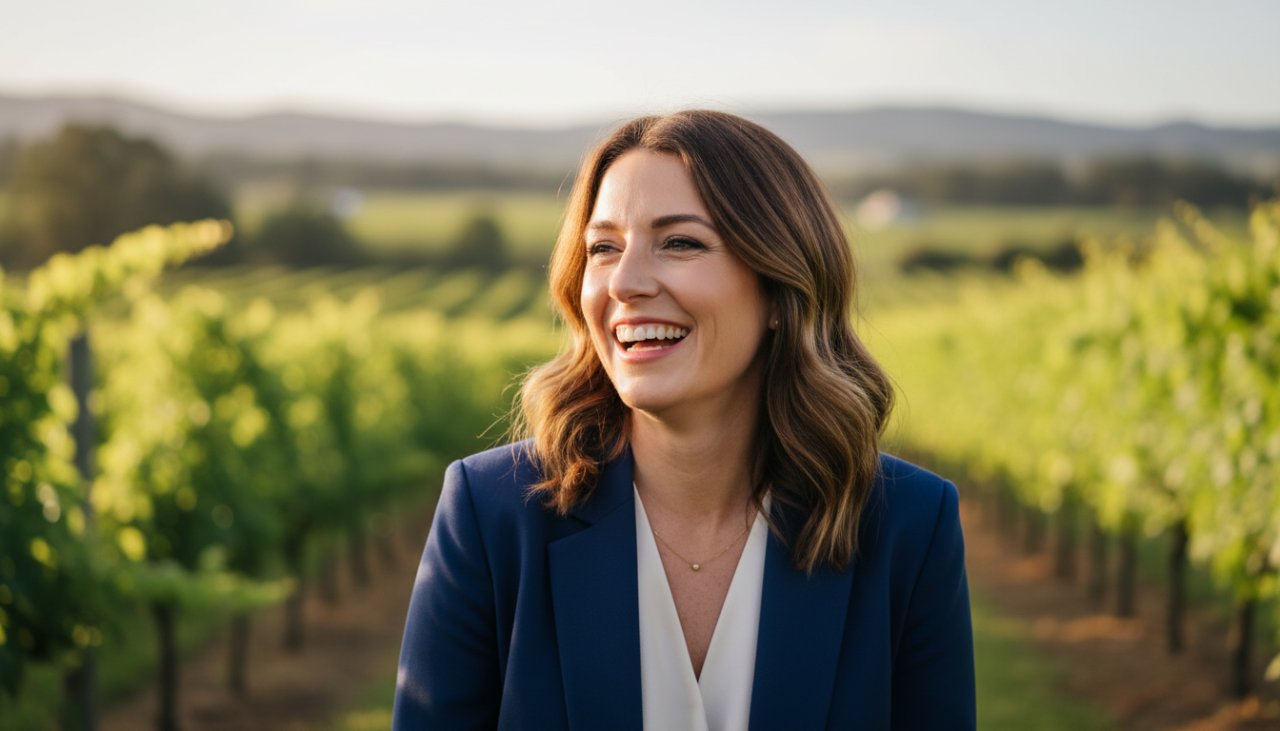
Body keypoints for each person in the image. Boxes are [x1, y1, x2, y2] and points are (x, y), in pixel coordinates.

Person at [392, 110, 975, 730]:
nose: (626, 282)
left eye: (680, 242)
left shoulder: (909, 525)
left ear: (780, 288)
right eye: (604, 248)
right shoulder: (492, 512)